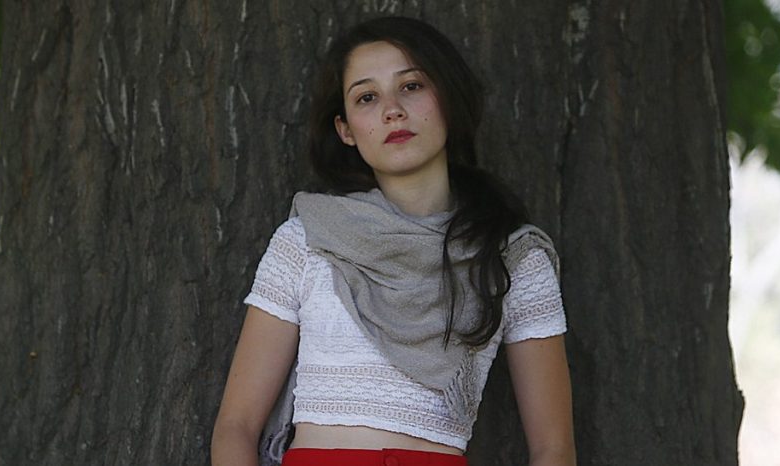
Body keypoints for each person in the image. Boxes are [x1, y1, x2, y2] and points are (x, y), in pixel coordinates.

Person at [212, 16, 575, 466]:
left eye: (411, 86)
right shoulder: (307, 239)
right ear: (345, 129)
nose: (393, 110)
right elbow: (236, 427)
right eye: (367, 97)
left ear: (447, 98)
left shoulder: (510, 256)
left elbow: (553, 450)